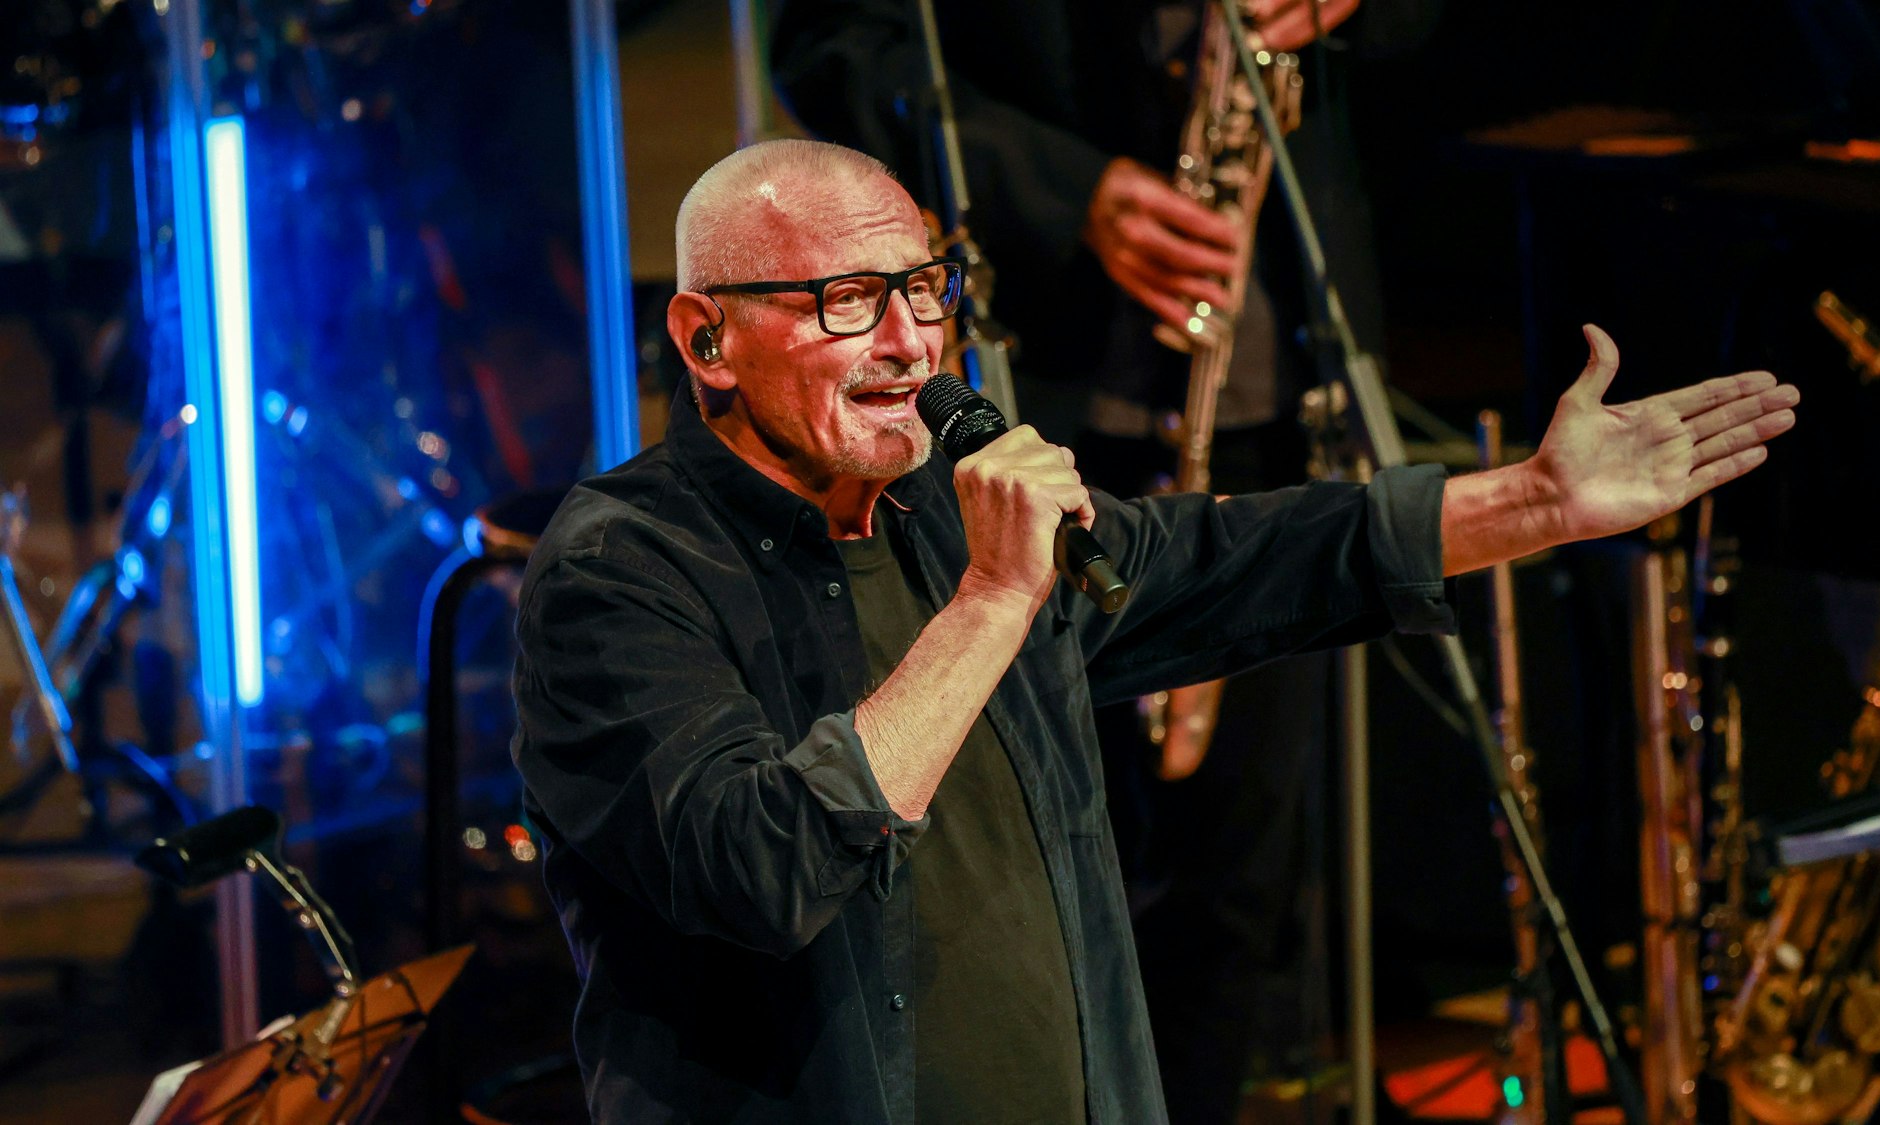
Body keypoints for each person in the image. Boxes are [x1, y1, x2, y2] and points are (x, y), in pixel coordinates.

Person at [509, 138, 1797, 1123]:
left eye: (923, 288)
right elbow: (758, 867)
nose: (907, 343)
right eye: (846, 299)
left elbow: (1233, 562)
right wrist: (993, 601)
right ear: (708, 338)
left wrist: (1534, 501)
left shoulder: (952, 513)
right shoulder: (619, 572)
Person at [764, 4, 1443, 1114]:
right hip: (1047, 382)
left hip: (1271, 384)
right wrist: (1067, 191)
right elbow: (833, 44)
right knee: (1055, 870)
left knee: (1236, 877)